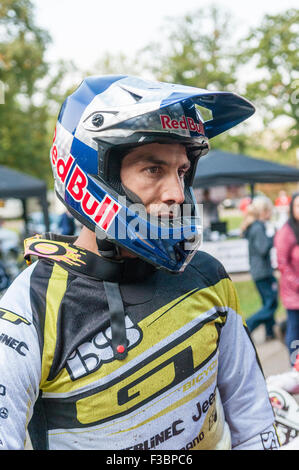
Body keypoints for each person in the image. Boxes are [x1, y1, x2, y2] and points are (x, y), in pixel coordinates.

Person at [0, 75, 279, 450]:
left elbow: (253, 418)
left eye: (182, 171)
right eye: (154, 170)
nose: (177, 194)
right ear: (90, 173)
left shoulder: (207, 276)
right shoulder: (30, 309)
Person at [267, 192, 299, 394]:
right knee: (295, 330)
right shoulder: (286, 231)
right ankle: (294, 367)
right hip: (294, 294)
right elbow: (282, 264)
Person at [242, 196, 278, 340]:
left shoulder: (255, 226)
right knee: (271, 304)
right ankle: (248, 325)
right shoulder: (258, 227)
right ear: (263, 212)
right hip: (262, 272)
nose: (270, 214)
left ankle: (270, 332)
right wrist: (274, 237)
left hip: (259, 271)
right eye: (269, 211)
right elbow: (263, 249)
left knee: (267, 302)